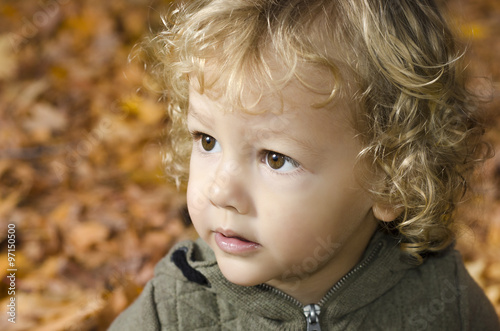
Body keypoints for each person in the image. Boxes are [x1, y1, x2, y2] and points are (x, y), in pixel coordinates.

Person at [109, 0, 500, 329]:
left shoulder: (445, 304)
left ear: (393, 180)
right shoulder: (174, 310)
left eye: (276, 159)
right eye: (207, 141)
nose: (220, 191)